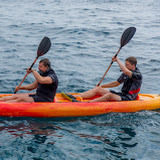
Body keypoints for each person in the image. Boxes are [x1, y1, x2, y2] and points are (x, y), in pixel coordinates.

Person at [62, 56, 142, 102]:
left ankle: (88, 103)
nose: (125, 66)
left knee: (109, 95)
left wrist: (117, 60)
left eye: (127, 65)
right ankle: (75, 97)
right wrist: (102, 86)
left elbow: (125, 70)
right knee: (98, 89)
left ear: (133, 65)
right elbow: (116, 83)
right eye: (125, 64)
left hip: (129, 98)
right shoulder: (125, 73)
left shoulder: (137, 75)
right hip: (122, 94)